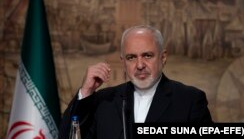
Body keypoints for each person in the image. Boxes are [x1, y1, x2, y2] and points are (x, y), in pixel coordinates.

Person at [59, 25, 213, 139]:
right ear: (123, 62)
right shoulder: (105, 101)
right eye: (131, 57)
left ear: (163, 57)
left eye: (147, 55)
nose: (139, 65)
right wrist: (85, 92)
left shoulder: (189, 100)